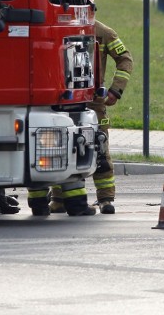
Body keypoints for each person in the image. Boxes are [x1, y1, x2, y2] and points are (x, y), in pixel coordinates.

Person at [47, 20, 134, 215]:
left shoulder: (103, 32)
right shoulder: (60, 27)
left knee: (99, 149)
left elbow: (125, 59)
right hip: (65, 100)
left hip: (93, 102)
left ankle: (105, 199)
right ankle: (59, 199)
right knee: (63, 148)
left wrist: (115, 90)